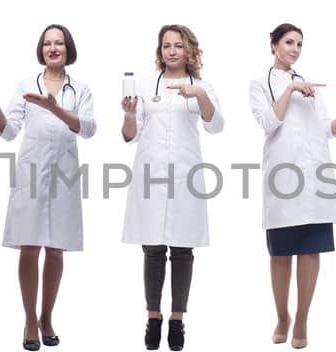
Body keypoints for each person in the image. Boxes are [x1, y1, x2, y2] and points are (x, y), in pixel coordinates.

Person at [0, 24, 96, 351]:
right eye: (47, 44)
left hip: (64, 174)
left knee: (56, 249)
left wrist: (55, 107)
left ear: (69, 48)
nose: (53, 48)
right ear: (40, 50)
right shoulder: (26, 86)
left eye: (59, 43)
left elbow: (89, 129)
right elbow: (10, 131)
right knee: (29, 246)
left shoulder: (80, 89)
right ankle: (29, 319)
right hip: (31, 171)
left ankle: (47, 317)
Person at [247, 23, 336, 350]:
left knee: (311, 248)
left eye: (300, 43)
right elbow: (270, 123)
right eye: (289, 42)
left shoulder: (312, 85)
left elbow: (326, 129)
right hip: (282, 175)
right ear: (273, 45)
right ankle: (282, 316)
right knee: (281, 253)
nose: (295, 49)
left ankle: (301, 319)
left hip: (315, 175)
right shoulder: (259, 85)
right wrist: (290, 90)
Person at [119, 24, 223, 352]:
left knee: (182, 249)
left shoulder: (202, 86)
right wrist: (128, 114)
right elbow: (129, 136)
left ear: (190, 50)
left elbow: (216, 126)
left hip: (185, 176)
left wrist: (201, 96)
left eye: (178, 45)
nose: (172, 51)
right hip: (150, 173)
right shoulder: (145, 86)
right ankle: (153, 318)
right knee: (152, 248)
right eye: (167, 45)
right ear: (160, 50)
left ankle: (177, 320)